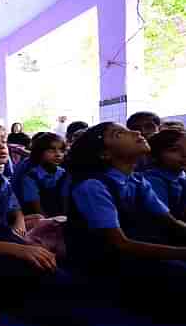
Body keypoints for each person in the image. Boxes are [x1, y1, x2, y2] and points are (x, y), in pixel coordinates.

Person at [0, 121, 88, 326]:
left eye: (3, 140)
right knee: (50, 280)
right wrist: (21, 250)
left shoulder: (2, 180)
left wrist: (20, 231)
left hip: (5, 240)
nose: (1, 146)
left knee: (57, 272)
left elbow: (15, 211)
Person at [65, 123, 186, 314]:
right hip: (106, 262)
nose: (136, 132)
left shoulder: (137, 180)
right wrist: (181, 253)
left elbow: (170, 222)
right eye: (120, 134)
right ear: (105, 154)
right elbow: (119, 244)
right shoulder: (92, 186)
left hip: (134, 248)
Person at [13, 133, 67, 217]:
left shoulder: (64, 174)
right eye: (51, 150)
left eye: (61, 150)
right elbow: (37, 208)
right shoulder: (31, 177)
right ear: (39, 153)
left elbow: (65, 201)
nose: (58, 154)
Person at [144, 130, 186, 224]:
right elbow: (162, 220)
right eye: (174, 150)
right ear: (155, 156)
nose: (185, 154)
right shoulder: (153, 180)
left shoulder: (181, 174)